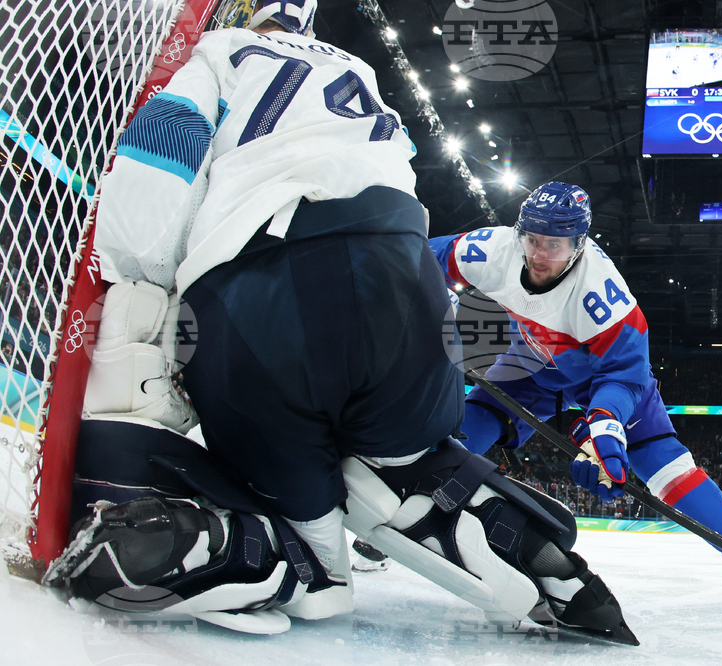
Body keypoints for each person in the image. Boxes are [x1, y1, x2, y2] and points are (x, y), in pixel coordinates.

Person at [46, 2, 636, 643]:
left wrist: (142, 271)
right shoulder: (356, 69)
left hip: (272, 286)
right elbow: (402, 167)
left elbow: (167, 141)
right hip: (413, 293)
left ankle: (285, 562)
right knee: (402, 467)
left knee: (300, 514)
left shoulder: (219, 54)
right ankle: (523, 545)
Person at [428, 181, 722, 608]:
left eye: (555, 246)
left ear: (579, 246)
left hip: (604, 376)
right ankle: (417, 505)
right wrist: (432, 312)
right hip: (534, 362)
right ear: (519, 231)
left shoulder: (601, 293)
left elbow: (628, 374)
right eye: (532, 240)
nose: (539, 255)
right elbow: (421, 260)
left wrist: (605, 425)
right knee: (457, 429)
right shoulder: (492, 249)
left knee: (664, 465)